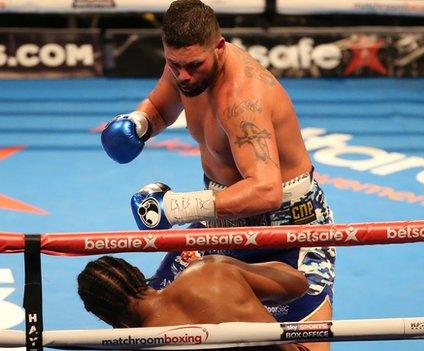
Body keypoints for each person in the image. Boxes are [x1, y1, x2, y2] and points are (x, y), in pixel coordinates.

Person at [100, 1, 335, 350]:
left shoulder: (242, 99)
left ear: (219, 46)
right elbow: (162, 106)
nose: (183, 76)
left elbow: (266, 190)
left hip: (287, 232)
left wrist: (176, 207)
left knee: (293, 348)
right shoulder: (186, 66)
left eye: (193, 66)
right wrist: (139, 123)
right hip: (223, 223)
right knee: (147, 319)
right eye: (173, 65)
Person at [77, 254, 311, 351]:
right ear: (136, 273)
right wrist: (236, 276)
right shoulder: (207, 271)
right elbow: (298, 284)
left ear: (104, 316)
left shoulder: (142, 345)